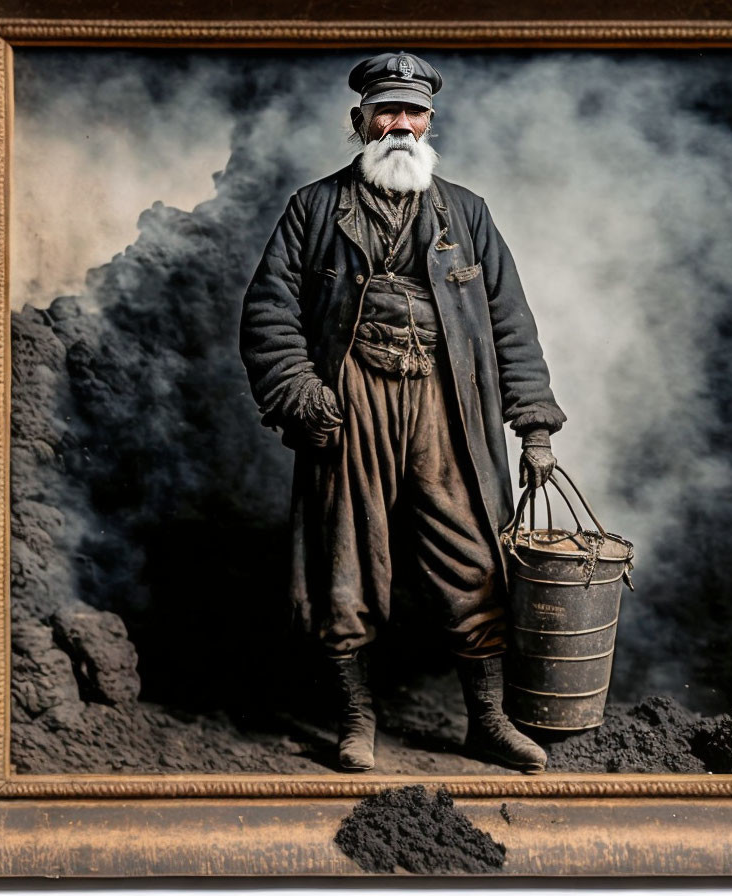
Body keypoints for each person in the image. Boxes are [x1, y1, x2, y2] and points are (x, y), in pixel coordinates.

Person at [239, 52, 566, 774]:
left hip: (445, 402)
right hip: (352, 400)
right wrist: (300, 391)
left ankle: (486, 720)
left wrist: (534, 423)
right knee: (345, 560)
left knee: (475, 557)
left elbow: (511, 321)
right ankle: (357, 721)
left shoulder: (468, 212)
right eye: (386, 111)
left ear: (430, 122)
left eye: (413, 113)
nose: (400, 126)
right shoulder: (314, 208)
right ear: (359, 121)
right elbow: (269, 314)